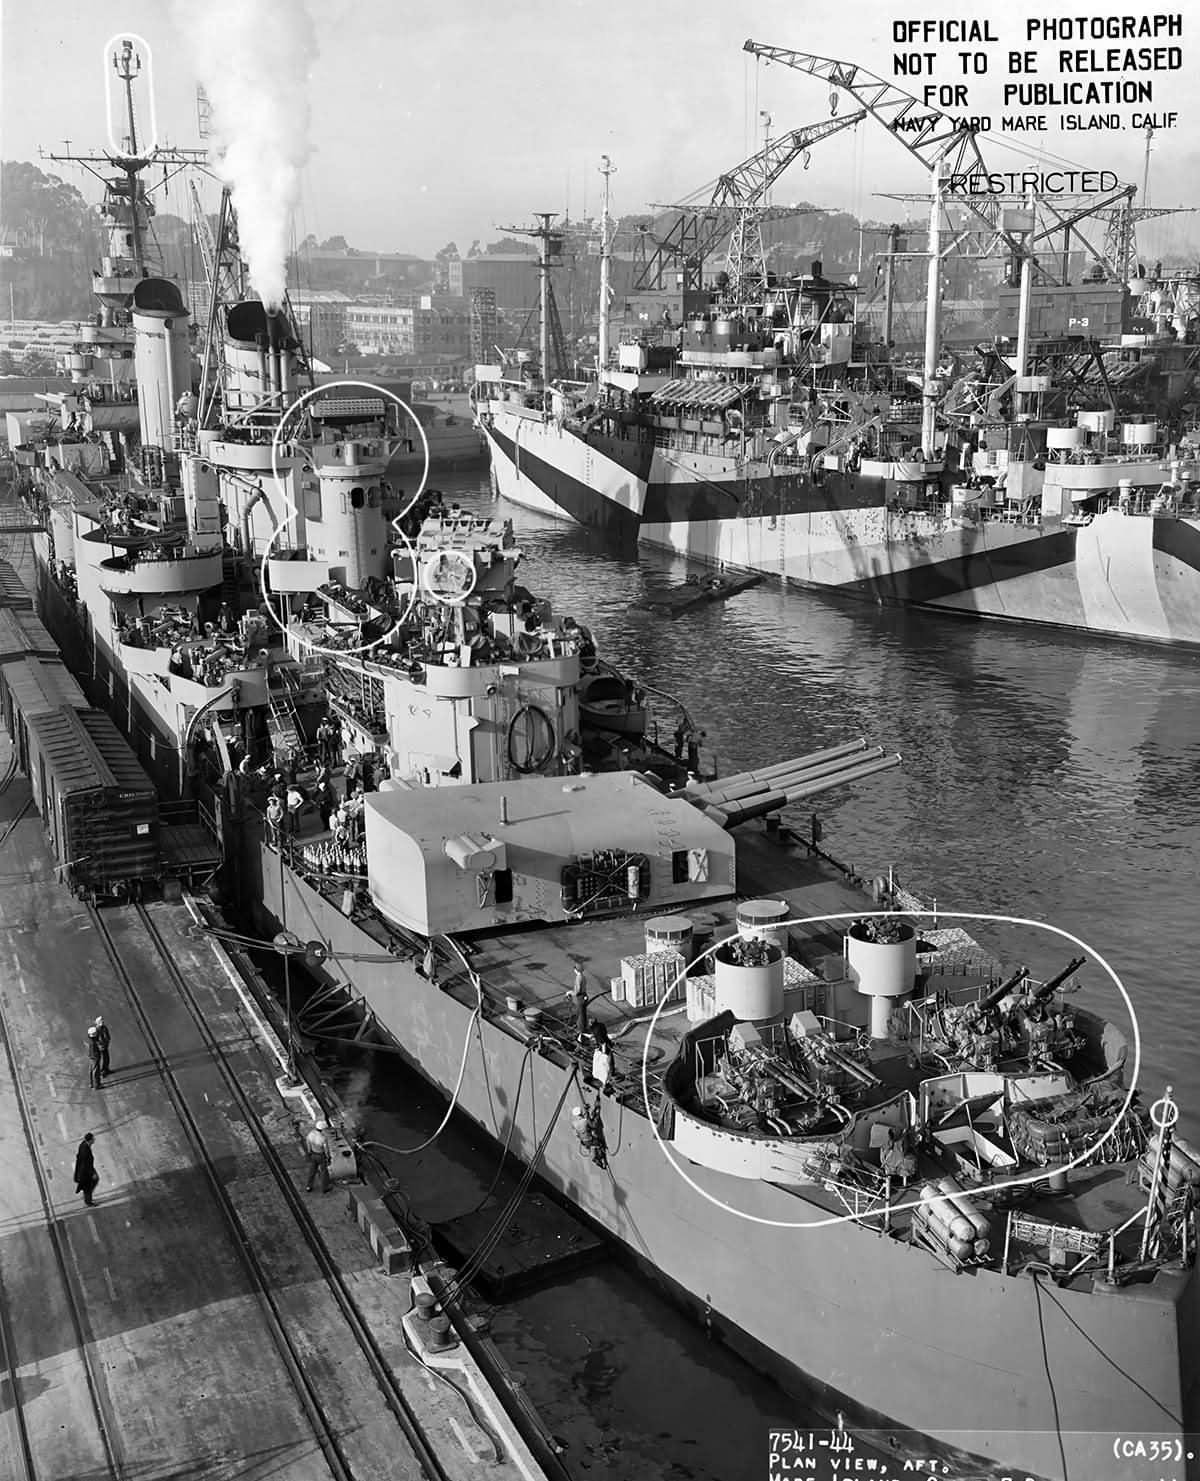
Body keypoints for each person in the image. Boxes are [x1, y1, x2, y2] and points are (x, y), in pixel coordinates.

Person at [303, 1118, 331, 1193]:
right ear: (322, 1129)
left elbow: (308, 1144)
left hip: (313, 1154)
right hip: (321, 1156)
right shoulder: (323, 1138)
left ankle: (309, 1186)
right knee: (324, 1172)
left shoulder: (310, 1134)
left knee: (312, 1171)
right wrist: (328, 1157)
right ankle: (325, 1188)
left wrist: (309, 1152)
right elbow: (326, 1150)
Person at [74, 1132, 99, 1206]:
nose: (94, 1140)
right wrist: (92, 1173)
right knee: (89, 1185)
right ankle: (88, 1201)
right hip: (85, 1172)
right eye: (93, 1139)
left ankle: (87, 1197)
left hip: (87, 1168)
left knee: (91, 1183)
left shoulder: (84, 1144)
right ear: (90, 1140)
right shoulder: (85, 1150)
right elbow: (85, 1164)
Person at [571, 963, 589, 1036]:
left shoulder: (578, 978)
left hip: (580, 997)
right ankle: (584, 1027)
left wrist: (570, 992)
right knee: (583, 1013)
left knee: (580, 1015)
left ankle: (580, 1030)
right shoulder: (583, 977)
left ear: (576, 970)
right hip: (584, 995)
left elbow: (577, 991)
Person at [87, 1025, 104, 1089]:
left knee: (91, 1070)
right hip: (95, 1057)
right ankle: (97, 1085)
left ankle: (91, 1083)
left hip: (91, 1057)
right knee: (96, 1072)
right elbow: (98, 1049)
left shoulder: (90, 1041)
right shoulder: (94, 1042)